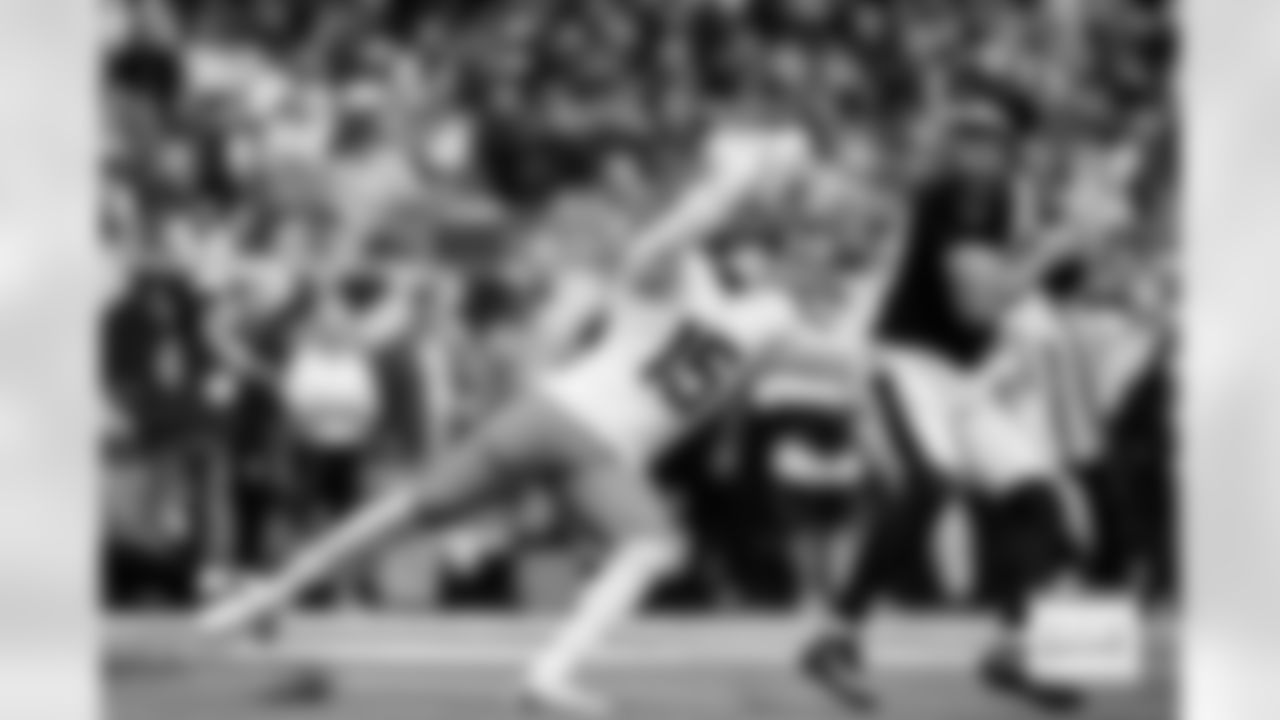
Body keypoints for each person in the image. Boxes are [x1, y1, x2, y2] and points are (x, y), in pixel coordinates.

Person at [196, 124, 827, 715]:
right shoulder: (756, 320)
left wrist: (736, 176)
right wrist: (750, 177)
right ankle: (550, 671)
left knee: (411, 508)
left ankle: (267, 594)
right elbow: (832, 351)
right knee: (652, 546)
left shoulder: (690, 284)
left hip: (544, 413)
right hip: (601, 444)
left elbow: (687, 232)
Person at [801, 95, 1101, 713]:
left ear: (1011, 147)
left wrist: (1077, 242)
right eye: (965, 138)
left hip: (970, 377)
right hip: (908, 364)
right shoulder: (949, 198)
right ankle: (836, 634)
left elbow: (1060, 285)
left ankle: (1014, 647)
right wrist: (1061, 243)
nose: (973, 151)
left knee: (1038, 498)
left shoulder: (1014, 196)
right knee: (925, 486)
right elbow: (978, 306)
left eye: (986, 140)